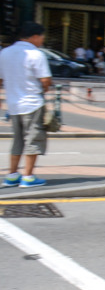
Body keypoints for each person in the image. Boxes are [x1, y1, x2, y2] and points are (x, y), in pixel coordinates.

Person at [1, 21, 53, 188]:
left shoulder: (5, 53)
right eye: (42, 37)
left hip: (13, 104)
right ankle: (28, 177)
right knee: (33, 139)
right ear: (35, 36)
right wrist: (43, 90)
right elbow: (45, 80)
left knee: (17, 140)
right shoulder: (36, 54)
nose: (42, 41)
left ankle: (12, 175)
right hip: (32, 103)